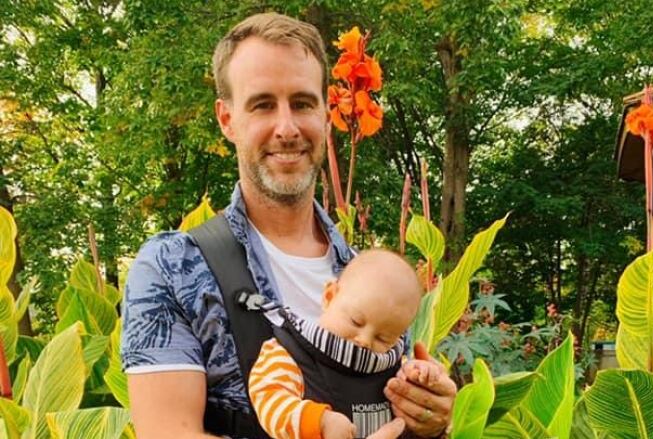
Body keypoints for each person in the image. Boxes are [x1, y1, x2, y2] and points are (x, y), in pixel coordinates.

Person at [121, 11, 456, 439]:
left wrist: (430, 420)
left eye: (302, 103)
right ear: (226, 119)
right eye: (262, 105)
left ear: (325, 113)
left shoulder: (374, 278)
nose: (287, 127)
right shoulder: (174, 268)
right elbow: (167, 433)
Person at [250, 249, 440, 439]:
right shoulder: (286, 353)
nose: (364, 341)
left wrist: (419, 378)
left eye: (383, 338)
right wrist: (319, 421)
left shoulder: (391, 363)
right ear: (329, 296)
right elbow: (268, 398)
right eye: (356, 321)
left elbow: (416, 407)